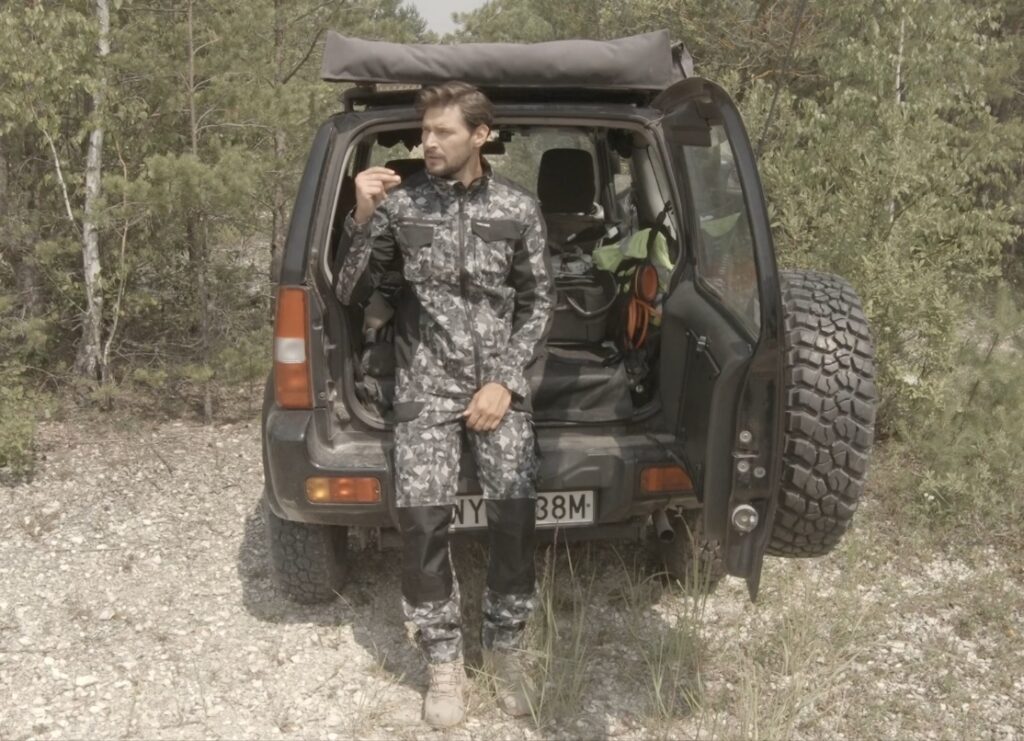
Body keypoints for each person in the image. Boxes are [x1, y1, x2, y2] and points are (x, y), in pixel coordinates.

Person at [333, 80, 555, 728]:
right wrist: (362, 215)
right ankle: (443, 659)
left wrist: (505, 382)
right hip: (425, 386)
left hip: (497, 386)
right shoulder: (403, 206)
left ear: (480, 135)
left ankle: (505, 647)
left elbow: (540, 301)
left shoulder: (518, 207)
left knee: (514, 516)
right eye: (424, 131)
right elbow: (349, 289)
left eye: (442, 132)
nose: (427, 142)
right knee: (423, 524)